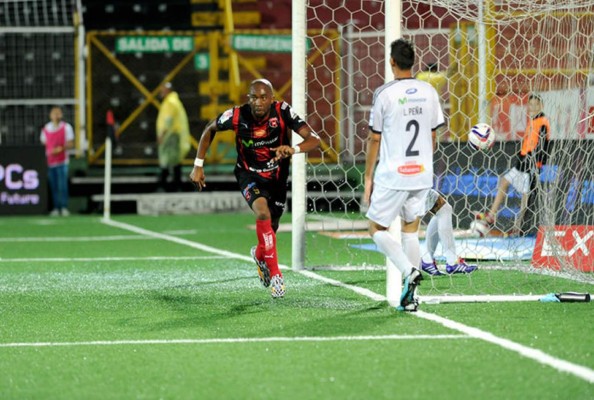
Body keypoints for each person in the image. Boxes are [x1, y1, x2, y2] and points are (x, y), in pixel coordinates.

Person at [189, 79, 320, 298]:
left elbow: (313, 139)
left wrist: (293, 148)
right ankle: (277, 275)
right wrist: (198, 165)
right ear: (248, 98)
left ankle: (260, 256)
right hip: (248, 174)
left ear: (271, 98)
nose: (258, 102)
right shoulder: (237, 116)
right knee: (262, 212)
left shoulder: (282, 111)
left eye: (263, 97)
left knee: (272, 228)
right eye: (253, 97)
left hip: (277, 177)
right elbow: (209, 129)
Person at [363, 39, 445, 312]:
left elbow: (374, 139)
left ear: (392, 62)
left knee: (376, 227)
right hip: (422, 173)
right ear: (413, 62)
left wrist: (368, 178)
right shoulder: (429, 91)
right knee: (411, 230)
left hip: (394, 174)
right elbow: (434, 134)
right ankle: (412, 297)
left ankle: (408, 271)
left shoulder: (384, 94)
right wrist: (425, 164)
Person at [474, 93, 550, 236]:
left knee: (525, 197)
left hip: (531, 164)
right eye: (531, 105)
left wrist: (537, 163)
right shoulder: (533, 121)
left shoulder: (543, 122)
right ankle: (491, 216)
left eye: (536, 105)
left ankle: (519, 227)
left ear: (541, 106)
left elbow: (543, 146)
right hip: (522, 161)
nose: (533, 107)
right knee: (505, 182)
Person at [407, 189, 478, 276]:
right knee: (442, 209)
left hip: (406, 183)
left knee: (442, 208)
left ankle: (427, 259)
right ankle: (450, 262)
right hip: (411, 183)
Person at [156, 82, 191, 192]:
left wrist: (162, 134)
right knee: (174, 160)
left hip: (170, 136)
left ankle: (164, 185)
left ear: (167, 90)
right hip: (172, 135)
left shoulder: (170, 102)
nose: (160, 91)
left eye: (162, 89)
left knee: (167, 160)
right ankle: (176, 184)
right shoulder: (173, 101)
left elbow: (168, 120)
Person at [40, 106, 74, 216]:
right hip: (50, 161)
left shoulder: (67, 127)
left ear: (61, 115)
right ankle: (55, 207)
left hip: (62, 161)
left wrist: (60, 149)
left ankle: (63, 207)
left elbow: (70, 143)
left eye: (58, 113)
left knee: (62, 185)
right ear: (50, 115)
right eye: (54, 113)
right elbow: (44, 143)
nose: (56, 116)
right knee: (53, 186)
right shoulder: (46, 128)